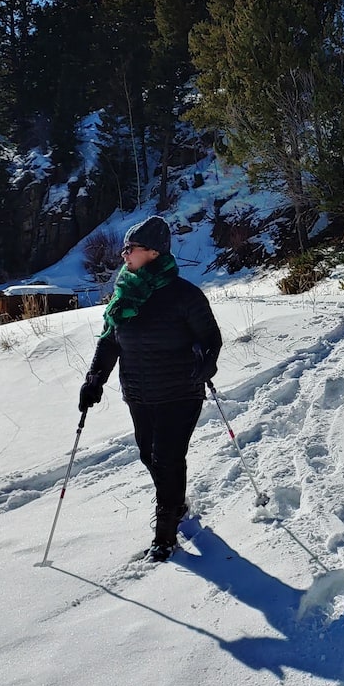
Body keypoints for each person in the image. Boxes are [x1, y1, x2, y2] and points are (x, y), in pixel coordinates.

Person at [78, 216, 222, 560]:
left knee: (167, 457)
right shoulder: (124, 294)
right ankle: (177, 502)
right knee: (149, 456)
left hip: (181, 391)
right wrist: (94, 379)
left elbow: (210, 338)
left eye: (132, 249)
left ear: (154, 252)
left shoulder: (185, 295)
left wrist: (207, 363)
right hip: (140, 393)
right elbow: (110, 340)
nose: (124, 255)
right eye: (125, 248)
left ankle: (165, 531)